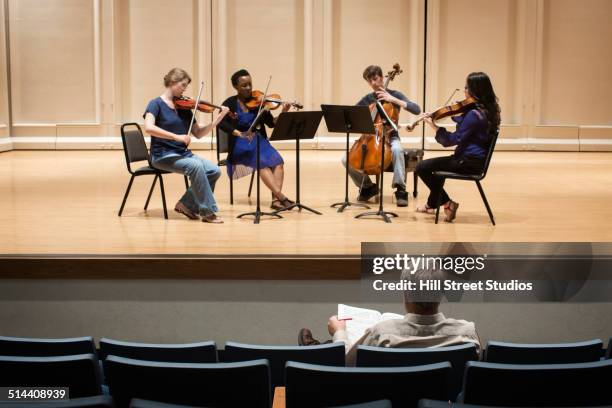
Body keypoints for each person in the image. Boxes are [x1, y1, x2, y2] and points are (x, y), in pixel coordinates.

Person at [299, 268, 481, 366]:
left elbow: (345, 363)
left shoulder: (381, 334)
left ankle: (315, 350)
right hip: (439, 401)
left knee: (337, 346)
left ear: (405, 294)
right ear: (441, 295)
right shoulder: (467, 334)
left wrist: (339, 332)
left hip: (387, 400)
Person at [143, 67, 229, 223]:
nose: (184, 89)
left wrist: (218, 120)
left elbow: (198, 133)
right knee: (196, 167)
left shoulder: (184, 108)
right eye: (183, 85)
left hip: (183, 154)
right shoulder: (155, 104)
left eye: (185, 86)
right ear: (173, 82)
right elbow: (149, 128)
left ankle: (186, 204)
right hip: (163, 155)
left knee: (214, 170)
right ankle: (208, 212)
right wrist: (176, 137)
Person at [415, 71, 500, 222]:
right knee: (434, 169)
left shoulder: (474, 115)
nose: (464, 91)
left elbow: (450, 141)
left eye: (467, 87)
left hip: (467, 162)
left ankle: (448, 203)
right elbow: (466, 124)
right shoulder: (489, 110)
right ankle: (431, 205)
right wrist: (450, 112)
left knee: (422, 167)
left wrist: (433, 126)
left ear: (476, 90)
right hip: (474, 161)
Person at [341, 65, 421, 207]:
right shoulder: (368, 98)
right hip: (369, 138)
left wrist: (393, 99)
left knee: (397, 150)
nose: (373, 83)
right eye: (369, 81)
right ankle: (367, 187)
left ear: (382, 77)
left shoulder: (395, 94)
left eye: (375, 79)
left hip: (391, 137)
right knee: (345, 159)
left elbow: (416, 109)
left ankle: (400, 190)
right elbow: (353, 114)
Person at [218, 69, 295, 210]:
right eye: (244, 85)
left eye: (250, 84)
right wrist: (237, 133)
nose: (248, 88)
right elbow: (221, 122)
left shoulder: (259, 103)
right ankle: (281, 196)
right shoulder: (229, 103)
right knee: (262, 164)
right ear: (236, 87)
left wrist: (283, 112)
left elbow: (271, 123)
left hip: (259, 140)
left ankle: (276, 201)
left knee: (278, 162)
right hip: (240, 143)